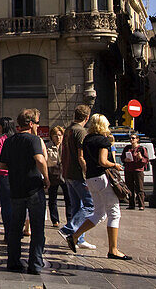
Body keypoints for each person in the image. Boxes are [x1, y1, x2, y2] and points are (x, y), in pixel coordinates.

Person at [66, 114, 131, 261]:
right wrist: (115, 164)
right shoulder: (103, 140)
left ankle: (75, 236)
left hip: (90, 178)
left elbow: (81, 157)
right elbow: (103, 161)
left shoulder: (87, 139)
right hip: (102, 179)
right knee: (114, 214)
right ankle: (113, 250)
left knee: (99, 213)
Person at [1, 108, 49, 275]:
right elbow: (40, 159)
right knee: (37, 228)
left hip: (16, 189)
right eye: (36, 123)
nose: (38, 126)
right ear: (30, 124)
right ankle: (35, 264)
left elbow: (2, 165)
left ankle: (13, 261)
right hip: (33, 188)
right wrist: (46, 177)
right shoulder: (34, 140)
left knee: (15, 228)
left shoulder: (9, 141)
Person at [59, 105, 97, 251]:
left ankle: (78, 238)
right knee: (90, 205)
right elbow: (81, 157)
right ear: (87, 118)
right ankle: (69, 229)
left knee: (76, 206)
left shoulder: (68, 130)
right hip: (77, 174)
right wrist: (86, 172)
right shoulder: (80, 131)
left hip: (68, 172)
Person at [0, 116, 16, 232]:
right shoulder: (16, 138)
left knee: (6, 204)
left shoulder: (1, 140)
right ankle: (16, 230)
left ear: (2, 126)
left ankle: (9, 231)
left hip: (3, 174)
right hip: (17, 174)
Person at [121, 133, 149, 211]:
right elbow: (122, 158)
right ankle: (131, 204)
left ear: (137, 139)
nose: (131, 140)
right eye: (130, 138)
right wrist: (124, 160)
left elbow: (146, 160)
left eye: (133, 138)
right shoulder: (127, 148)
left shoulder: (141, 149)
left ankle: (141, 205)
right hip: (128, 170)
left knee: (139, 188)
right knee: (130, 188)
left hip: (138, 170)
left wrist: (140, 158)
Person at [47, 126, 67, 226]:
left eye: (60, 135)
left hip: (65, 175)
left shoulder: (66, 146)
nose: (58, 138)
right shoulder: (48, 147)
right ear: (52, 136)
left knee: (69, 198)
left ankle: (70, 218)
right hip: (53, 175)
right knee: (52, 198)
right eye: (56, 136)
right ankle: (55, 220)